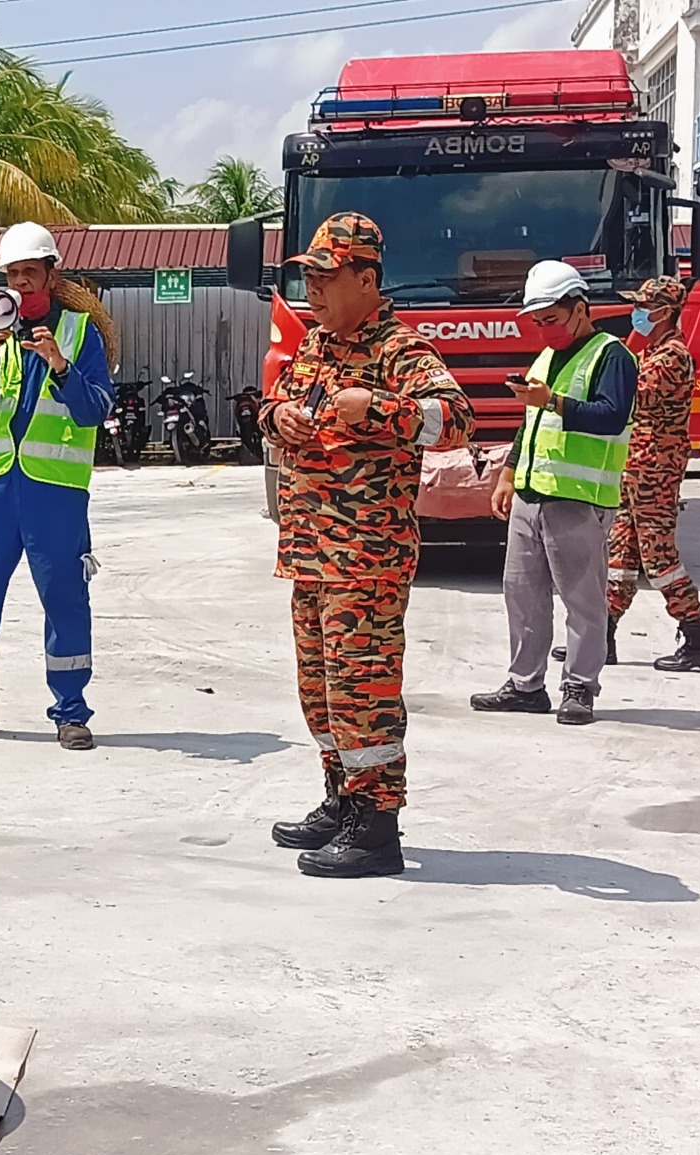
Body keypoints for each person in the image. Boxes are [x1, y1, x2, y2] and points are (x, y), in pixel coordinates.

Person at [260, 212, 473, 878]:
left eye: (326, 277)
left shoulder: (399, 351)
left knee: (364, 692)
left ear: (367, 279)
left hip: (365, 561)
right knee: (321, 692)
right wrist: (279, 417)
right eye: (309, 277)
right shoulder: (314, 345)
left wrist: (378, 407)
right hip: (310, 556)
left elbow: (456, 419)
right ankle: (341, 800)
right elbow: (272, 405)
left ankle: (377, 829)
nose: (314, 290)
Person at [0, 222, 115, 751]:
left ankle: (71, 713)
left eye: (29, 272)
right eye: (12, 274)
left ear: (51, 275)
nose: (20, 283)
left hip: (54, 492)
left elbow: (95, 409)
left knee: (65, 600)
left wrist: (59, 364)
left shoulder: (80, 333)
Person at [469, 261, 638, 725]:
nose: (545, 330)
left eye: (552, 320)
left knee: (583, 600)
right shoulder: (545, 358)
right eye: (538, 322)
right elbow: (530, 424)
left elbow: (612, 417)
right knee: (522, 593)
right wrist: (507, 474)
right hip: (532, 494)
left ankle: (580, 687)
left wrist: (553, 401)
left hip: (579, 498)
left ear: (580, 309)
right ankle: (526, 685)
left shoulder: (612, 356)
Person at [601, 277, 700, 671]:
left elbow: (629, 398)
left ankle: (698, 638)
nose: (636, 312)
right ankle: (601, 637)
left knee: (659, 559)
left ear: (665, 312)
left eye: (643, 306)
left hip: (656, 467)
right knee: (621, 554)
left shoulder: (671, 357)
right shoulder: (652, 351)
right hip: (635, 465)